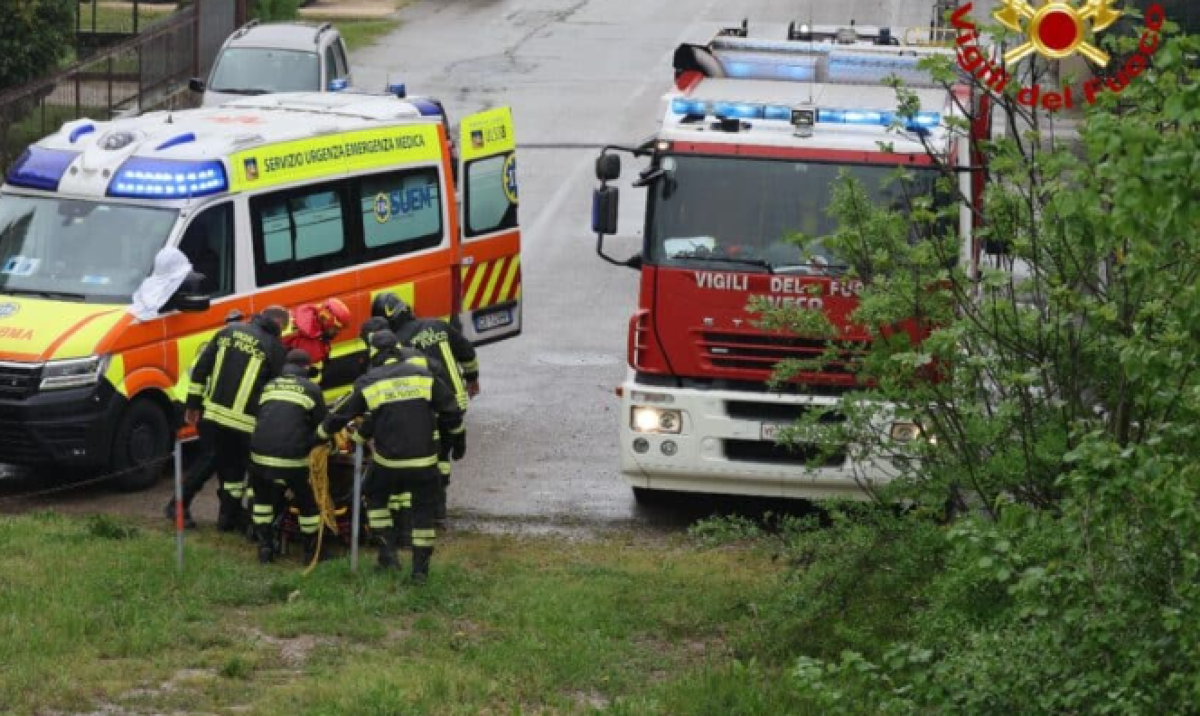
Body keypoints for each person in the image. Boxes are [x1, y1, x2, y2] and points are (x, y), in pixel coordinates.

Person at [318, 329, 464, 581]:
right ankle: (420, 571)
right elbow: (451, 411)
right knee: (423, 513)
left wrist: (319, 434)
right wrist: (459, 442)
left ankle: (388, 555)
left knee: (374, 497)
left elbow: (342, 413)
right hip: (425, 462)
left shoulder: (371, 381)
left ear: (373, 355)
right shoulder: (423, 376)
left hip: (389, 462)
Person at [370, 293, 476, 521]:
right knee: (443, 455)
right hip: (456, 400)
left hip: (426, 409)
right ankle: (439, 509)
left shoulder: (396, 344)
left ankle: (427, 510)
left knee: (429, 454)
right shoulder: (438, 325)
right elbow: (467, 352)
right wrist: (473, 378)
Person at [185, 306, 289, 532]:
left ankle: (227, 517)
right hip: (245, 423)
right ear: (279, 324)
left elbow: (201, 368)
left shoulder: (228, 331)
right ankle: (180, 506)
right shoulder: (275, 348)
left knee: (218, 466)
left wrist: (193, 404)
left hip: (212, 414)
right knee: (240, 470)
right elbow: (274, 390)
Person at [165, 308, 245, 528]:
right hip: (195, 405)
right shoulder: (226, 348)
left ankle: (228, 514)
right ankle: (177, 506)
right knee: (211, 457)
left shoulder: (219, 342)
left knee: (225, 458)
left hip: (197, 403)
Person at [248, 349, 327, 564]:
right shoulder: (311, 389)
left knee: (263, 502)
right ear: (306, 368)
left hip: (259, 455)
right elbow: (323, 425)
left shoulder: (269, 385)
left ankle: (265, 547)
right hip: (293, 459)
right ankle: (311, 552)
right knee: (307, 504)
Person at [283, 298, 352, 368]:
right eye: (336, 328)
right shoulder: (313, 348)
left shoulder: (301, 315)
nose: (337, 332)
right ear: (326, 320)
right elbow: (312, 377)